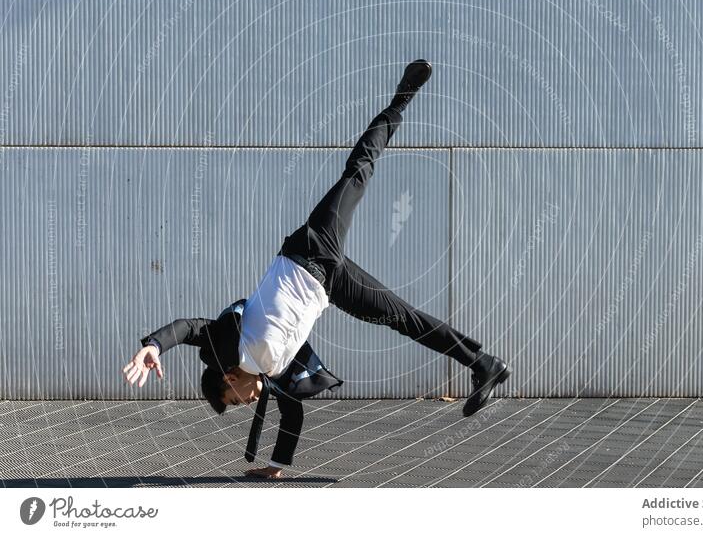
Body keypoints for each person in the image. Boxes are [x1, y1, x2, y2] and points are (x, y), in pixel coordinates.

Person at [123, 60, 511, 479]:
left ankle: (403, 96)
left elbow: (188, 327)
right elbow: (292, 416)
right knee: (404, 319)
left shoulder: (226, 348)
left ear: (228, 378)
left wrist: (154, 346)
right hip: (331, 284)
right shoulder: (274, 373)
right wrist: (274, 467)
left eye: (235, 400)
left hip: (309, 249)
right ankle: (483, 364)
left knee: (358, 171)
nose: (246, 403)